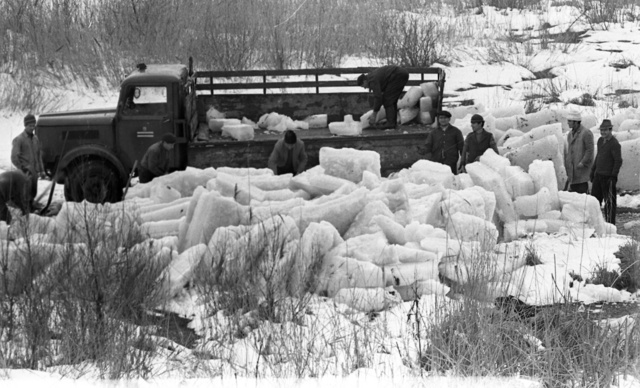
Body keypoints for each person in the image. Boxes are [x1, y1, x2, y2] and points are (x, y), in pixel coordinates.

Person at [357, 65, 410, 130]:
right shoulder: (371, 77)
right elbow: (380, 94)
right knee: (392, 99)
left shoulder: (372, 80)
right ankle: (392, 123)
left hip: (398, 75)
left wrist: (374, 113)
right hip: (401, 74)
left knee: (388, 99)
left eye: (363, 86)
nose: (365, 88)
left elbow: (378, 97)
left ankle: (390, 123)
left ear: (364, 81)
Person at [590, 119, 622, 225]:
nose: (603, 132)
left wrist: (613, 176)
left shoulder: (614, 144)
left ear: (610, 130)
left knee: (609, 204)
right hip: (598, 176)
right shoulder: (600, 141)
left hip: (608, 178)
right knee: (594, 201)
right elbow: (598, 157)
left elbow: (618, 161)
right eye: (601, 130)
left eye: (605, 130)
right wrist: (593, 170)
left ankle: (610, 227)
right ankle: (595, 224)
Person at [11, 114, 46, 205]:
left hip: (34, 172)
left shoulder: (35, 139)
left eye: (33, 125)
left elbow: (38, 156)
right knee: (24, 192)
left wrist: (41, 170)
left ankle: (30, 205)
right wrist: (22, 168)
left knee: (33, 192)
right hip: (25, 172)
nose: (32, 128)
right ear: (25, 126)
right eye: (30, 126)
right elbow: (14, 157)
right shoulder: (19, 139)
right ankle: (24, 209)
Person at [564, 110, 594, 194]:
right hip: (572, 172)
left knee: (582, 194)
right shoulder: (570, 134)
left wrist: (583, 162)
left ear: (576, 122)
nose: (568, 123)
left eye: (569, 121)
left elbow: (590, 150)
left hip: (582, 171)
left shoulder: (586, 133)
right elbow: (570, 151)